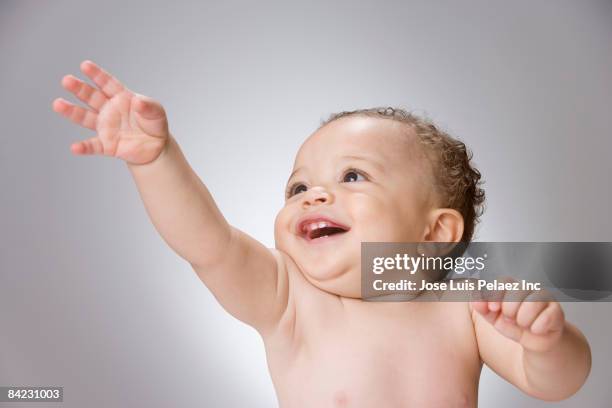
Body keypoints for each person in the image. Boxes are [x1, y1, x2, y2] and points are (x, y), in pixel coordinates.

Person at [52, 60, 591, 407]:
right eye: (297, 187)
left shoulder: (464, 303)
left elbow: (556, 382)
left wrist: (546, 342)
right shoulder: (291, 298)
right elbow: (207, 243)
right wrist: (156, 160)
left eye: (352, 176)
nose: (313, 195)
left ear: (435, 234)